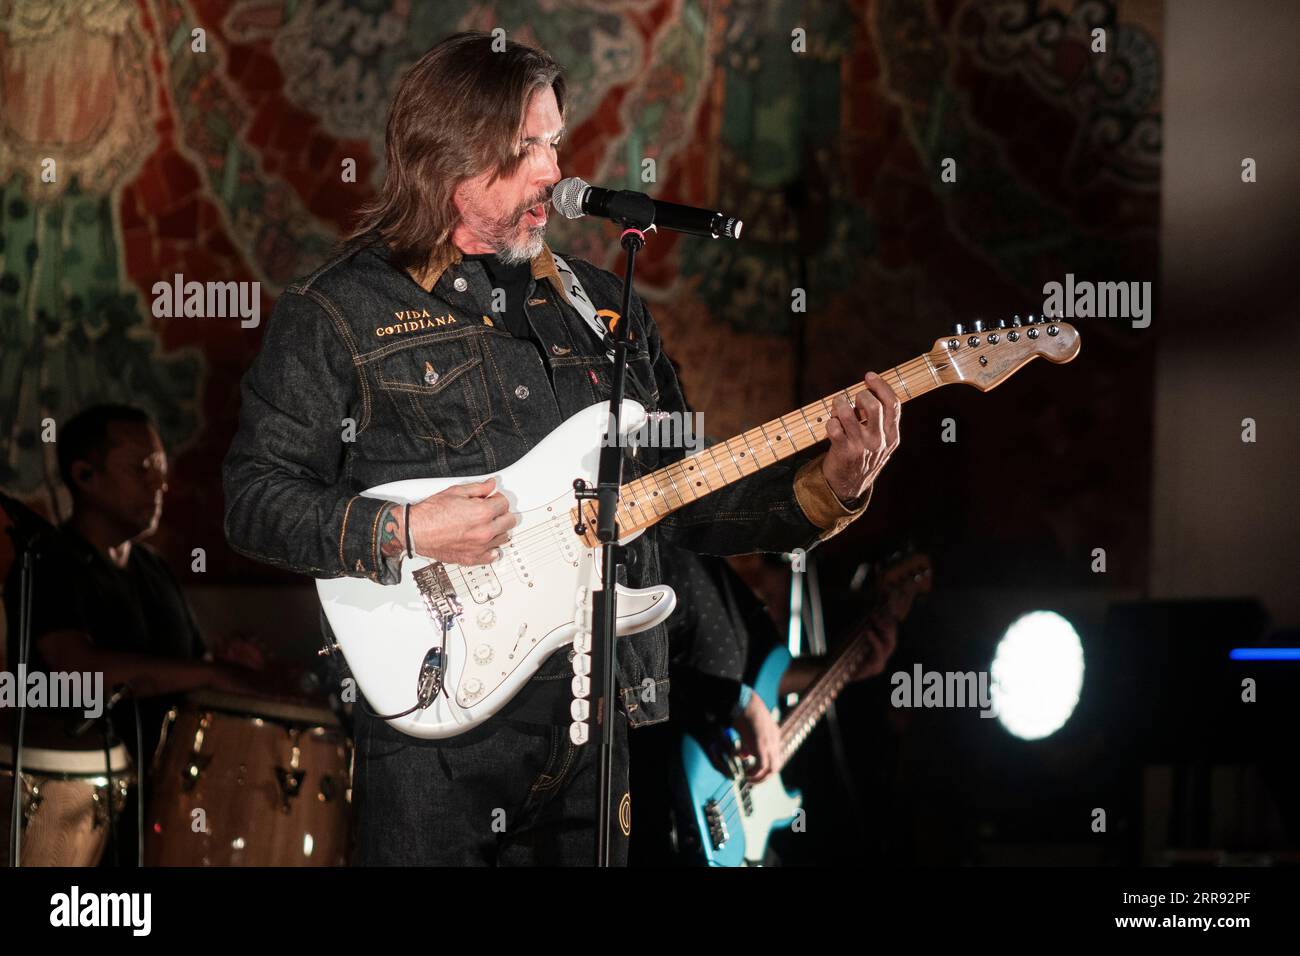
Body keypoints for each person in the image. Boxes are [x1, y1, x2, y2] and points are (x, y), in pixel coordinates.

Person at [222, 31, 901, 866]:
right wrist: (405, 532)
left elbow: (684, 495)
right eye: (525, 148)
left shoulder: (602, 311)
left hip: (603, 716)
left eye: (553, 142)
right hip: (439, 730)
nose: (554, 170)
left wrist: (828, 486)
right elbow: (254, 499)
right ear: (447, 161)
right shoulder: (340, 311)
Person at [2, 404, 262, 864]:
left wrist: (218, 664)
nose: (159, 484)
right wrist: (207, 674)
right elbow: (78, 669)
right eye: (142, 468)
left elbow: (190, 670)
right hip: (73, 806)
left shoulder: (153, 569)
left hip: (161, 801)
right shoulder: (48, 561)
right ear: (85, 475)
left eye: (160, 469)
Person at [630, 543, 899, 865]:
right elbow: (624, 659)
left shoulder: (735, 594)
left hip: (729, 820)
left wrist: (848, 666)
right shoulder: (670, 555)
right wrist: (737, 702)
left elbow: (771, 675)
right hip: (655, 799)